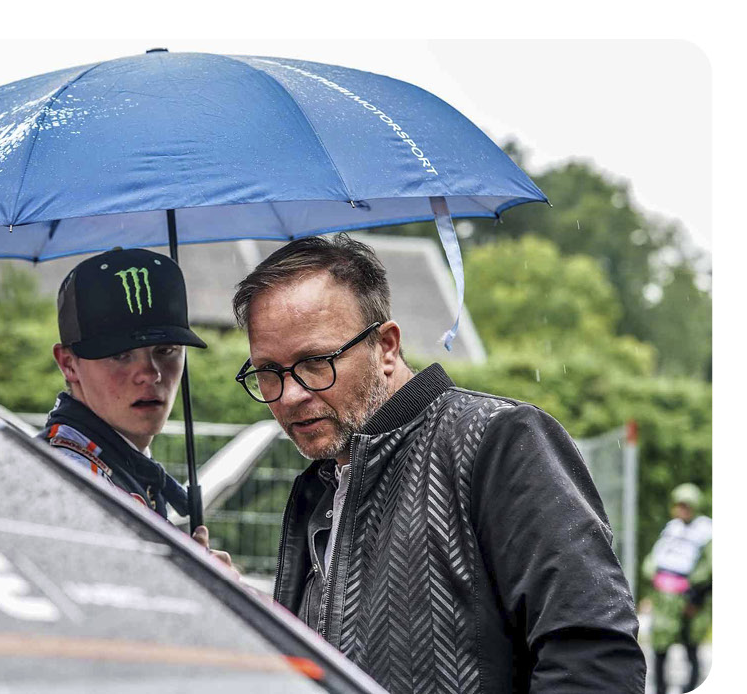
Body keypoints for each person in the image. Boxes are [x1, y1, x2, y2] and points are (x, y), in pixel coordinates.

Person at [241, 236, 642, 694]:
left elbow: (594, 661)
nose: (290, 395)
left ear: (386, 347)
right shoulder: (322, 487)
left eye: (315, 362)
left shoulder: (498, 441)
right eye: (268, 372)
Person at [42, 248, 232, 571]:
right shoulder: (72, 481)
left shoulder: (120, 462)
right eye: (121, 355)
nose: (151, 373)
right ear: (68, 364)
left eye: (166, 350)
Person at [643, 484, 713, 694]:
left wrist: (696, 598)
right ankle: (661, 689)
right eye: (679, 505)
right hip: (665, 597)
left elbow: (709, 568)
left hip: (689, 598)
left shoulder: (705, 531)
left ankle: (691, 688)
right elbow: (655, 559)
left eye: (686, 506)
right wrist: (653, 579)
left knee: (690, 647)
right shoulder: (672, 529)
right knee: (660, 648)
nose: (681, 510)